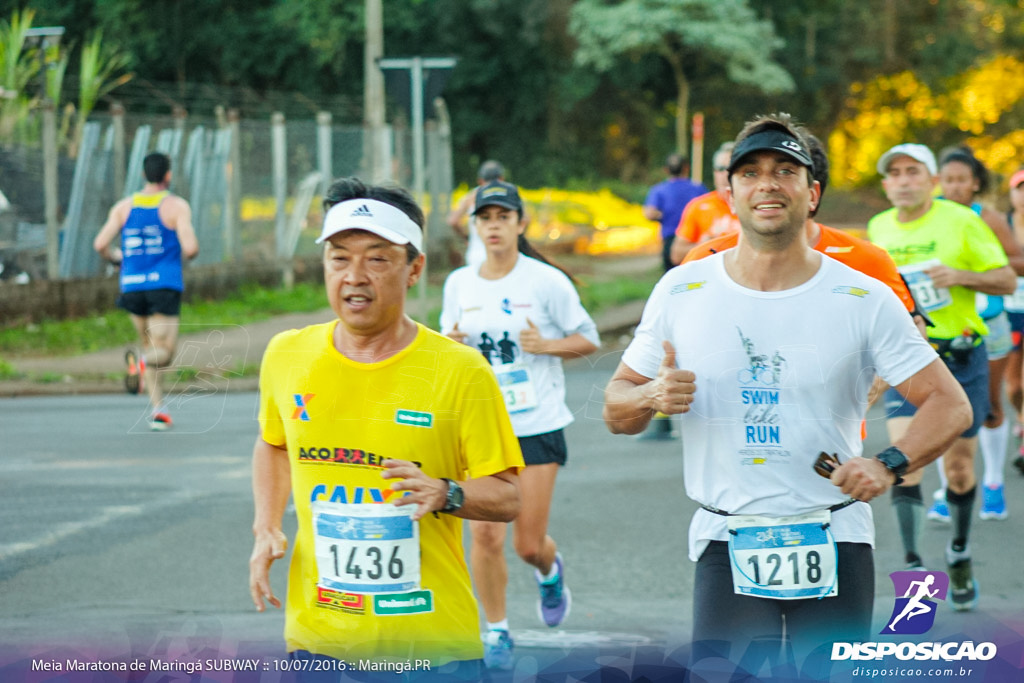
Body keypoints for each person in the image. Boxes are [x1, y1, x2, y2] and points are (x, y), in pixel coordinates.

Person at [603, 114, 970, 670]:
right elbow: (616, 408)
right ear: (730, 194)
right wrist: (650, 394)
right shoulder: (684, 287)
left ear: (812, 192)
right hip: (727, 536)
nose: (767, 184)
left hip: (833, 530)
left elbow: (950, 403)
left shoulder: (862, 294)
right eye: (749, 173)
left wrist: (889, 463)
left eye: (784, 171)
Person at [248, 178, 524, 674]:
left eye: (377, 259)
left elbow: (508, 497)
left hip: (433, 649)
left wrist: (446, 493)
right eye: (339, 258)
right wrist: (266, 526)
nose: (355, 276)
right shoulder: (286, 355)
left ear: (414, 267)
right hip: (319, 642)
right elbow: (273, 444)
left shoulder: (461, 371)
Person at [441, 180, 599, 670]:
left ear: (520, 224)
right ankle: (497, 630)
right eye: (484, 218)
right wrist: (451, 344)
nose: (493, 226)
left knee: (526, 543)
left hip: (536, 423)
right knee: (484, 536)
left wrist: (545, 346)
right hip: (480, 428)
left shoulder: (545, 281)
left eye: (502, 217)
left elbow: (588, 340)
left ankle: (549, 571)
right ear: (475, 227)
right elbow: (449, 344)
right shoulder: (460, 283)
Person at [868, 143, 1016, 610]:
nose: (904, 180)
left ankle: (959, 549)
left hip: (962, 356)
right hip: (908, 360)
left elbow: (1007, 279)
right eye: (894, 173)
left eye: (913, 171)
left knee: (957, 469)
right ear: (886, 185)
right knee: (902, 463)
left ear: (931, 180)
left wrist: (959, 276)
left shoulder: (962, 221)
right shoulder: (877, 229)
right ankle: (913, 570)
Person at [934, 147, 1024, 521]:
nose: (954, 187)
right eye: (948, 179)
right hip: (939, 327)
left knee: (987, 408)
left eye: (961, 180)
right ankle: (946, 488)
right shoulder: (929, 216)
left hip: (989, 323)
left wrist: (972, 272)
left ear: (974, 183)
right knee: (940, 410)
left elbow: (1017, 262)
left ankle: (992, 484)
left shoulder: (986, 217)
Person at [93, 152, 199, 431]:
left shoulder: (123, 207)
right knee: (162, 352)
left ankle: (158, 409)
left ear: (143, 174)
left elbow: (100, 244)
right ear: (168, 175)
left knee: (150, 347)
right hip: (163, 285)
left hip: (132, 286)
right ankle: (139, 364)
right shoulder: (176, 207)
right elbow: (191, 248)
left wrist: (119, 259)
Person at [668, 142, 741, 265]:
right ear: (714, 171)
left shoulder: (754, 206)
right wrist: (703, 245)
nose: (726, 174)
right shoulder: (699, 206)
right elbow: (676, 255)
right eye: (720, 169)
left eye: (731, 168)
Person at [643, 153, 708, 272]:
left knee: (671, 279)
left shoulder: (659, 190)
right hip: (694, 240)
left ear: (666, 170)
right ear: (686, 168)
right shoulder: (698, 188)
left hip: (670, 239)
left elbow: (649, 213)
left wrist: (664, 215)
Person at [446, 160, 506, 268]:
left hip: (477, 253)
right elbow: (526, 219)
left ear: (480, 181)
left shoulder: (471, 197)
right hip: (505, 253)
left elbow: (453, 221)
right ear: (501, 179)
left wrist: (466, 237)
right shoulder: (508, 195)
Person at [1006, 168, 1024, 476]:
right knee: (1013, 384)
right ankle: (1020, 418)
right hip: (1009, 311)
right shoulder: (1002, 226)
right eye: (1020, 188)